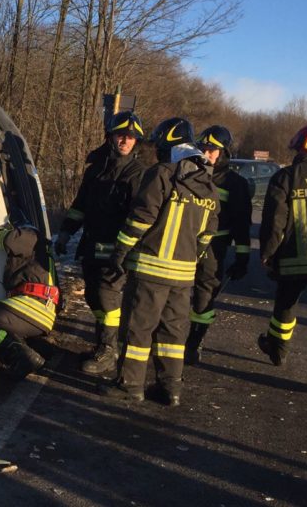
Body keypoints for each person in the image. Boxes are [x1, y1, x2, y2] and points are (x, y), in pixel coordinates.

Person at [100, 117, 218, 406]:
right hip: (184, 276)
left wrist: (119, 253)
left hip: (150, 270)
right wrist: (192, 260)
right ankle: (171, 388)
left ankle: (130, 386)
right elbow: (206, 235)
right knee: (173, 333)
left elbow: (141, 220)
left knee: (138, 329)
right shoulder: (208, 184)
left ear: (168, 144)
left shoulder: (162, 174)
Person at [54, 111, 146, 374]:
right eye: (121, 135)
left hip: (117, 249)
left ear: (136, 142)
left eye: (130, 137)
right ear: (110, 137)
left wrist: (127, 249)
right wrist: (65, 233)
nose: (125, 141)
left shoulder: (138, 174)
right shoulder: (96, 170)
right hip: (92, 244)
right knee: (94, 296)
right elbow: (80, 206)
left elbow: (140, 216)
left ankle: (108, 350)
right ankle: (102, 344)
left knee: (107, 298)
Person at [257, 123, 307, 399]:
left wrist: (267, 251)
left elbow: (274, 220)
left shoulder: (286, 177)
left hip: (295, 258)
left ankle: (277, 350)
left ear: (304, 147)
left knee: (285, 305)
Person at [186, 126, 253, 364]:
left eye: (213, 149)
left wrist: (242, 257)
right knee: (176, 293)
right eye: (203, 147)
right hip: (183, 243)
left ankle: (194, 342)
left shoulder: (235, 183)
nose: (207, 152)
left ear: (224, 152)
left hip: (214, 247)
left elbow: (242, 223)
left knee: (204, 297)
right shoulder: (188, 172)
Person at [0, 223, 59, 378]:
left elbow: (10, 240)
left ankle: (23, 356)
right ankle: (31, 348)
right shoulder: (43, 254)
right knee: (0, 324)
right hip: (42, 313)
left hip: (32, 307)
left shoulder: (32, 235)